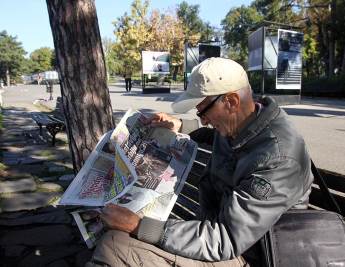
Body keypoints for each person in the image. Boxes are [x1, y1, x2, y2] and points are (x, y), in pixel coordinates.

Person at [87, 57, 314, 266]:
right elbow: (214, 135)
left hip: (245, 255)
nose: (203, 121)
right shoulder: (244, 122)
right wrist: (181, 126)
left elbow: (225, 239)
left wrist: (139, 226)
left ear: (232, 101)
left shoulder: (278, 158)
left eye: (204, 111)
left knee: (114, 247)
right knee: (113, 239)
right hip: (211, 232)